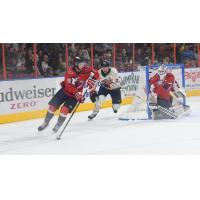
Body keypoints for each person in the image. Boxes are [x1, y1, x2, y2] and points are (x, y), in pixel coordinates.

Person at [38, 56, 99, 133]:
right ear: (76, 64)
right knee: (52, 106)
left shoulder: (87, 69)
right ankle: (46, 122)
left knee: (64, 110)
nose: (84, 65)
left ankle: (58, 124)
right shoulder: (70, 72)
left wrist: (92, 80)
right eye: (82, 63)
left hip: (74, 96)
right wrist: (77, 94)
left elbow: (97, 73)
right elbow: (69, 86)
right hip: (65, 91)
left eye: (84, 63)